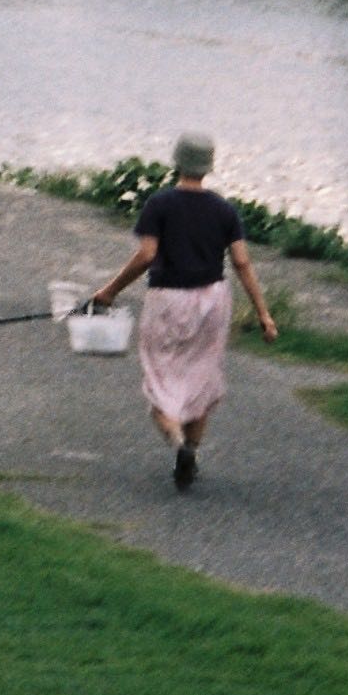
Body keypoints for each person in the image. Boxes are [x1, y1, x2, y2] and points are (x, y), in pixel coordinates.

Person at [86, 133, 276, 491]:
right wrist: (264, 314)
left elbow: (145, 256)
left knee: (162, 383)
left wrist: (109, 291)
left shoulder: (159, 205)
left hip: (169, 299)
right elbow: (241, 261)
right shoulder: (224, 210)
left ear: (176, 161)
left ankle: (178, 445)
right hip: (213, 300)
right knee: (200, 380)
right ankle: (191, 448)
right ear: (210, 165)